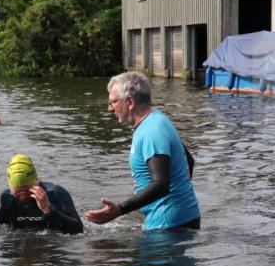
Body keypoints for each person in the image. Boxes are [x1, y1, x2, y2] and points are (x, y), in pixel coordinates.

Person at [85, 71, 200, 231]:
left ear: (130, 102)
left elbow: (160, 184)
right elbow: (189, 161)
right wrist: (182, 198)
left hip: (168, 226)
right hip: (178, 219)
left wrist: (120, 209)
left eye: (113, 102)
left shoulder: (151, 131)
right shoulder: (157, 119)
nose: (110, 108)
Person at [0, 154, 83, 235]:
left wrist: (48, 209)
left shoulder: (55, 194)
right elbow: (3, 220)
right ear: (10, 186)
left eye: (27, 188)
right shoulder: (7, 197)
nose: (23, 194)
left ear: (35, 181)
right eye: (17, 190)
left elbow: (78, 230)